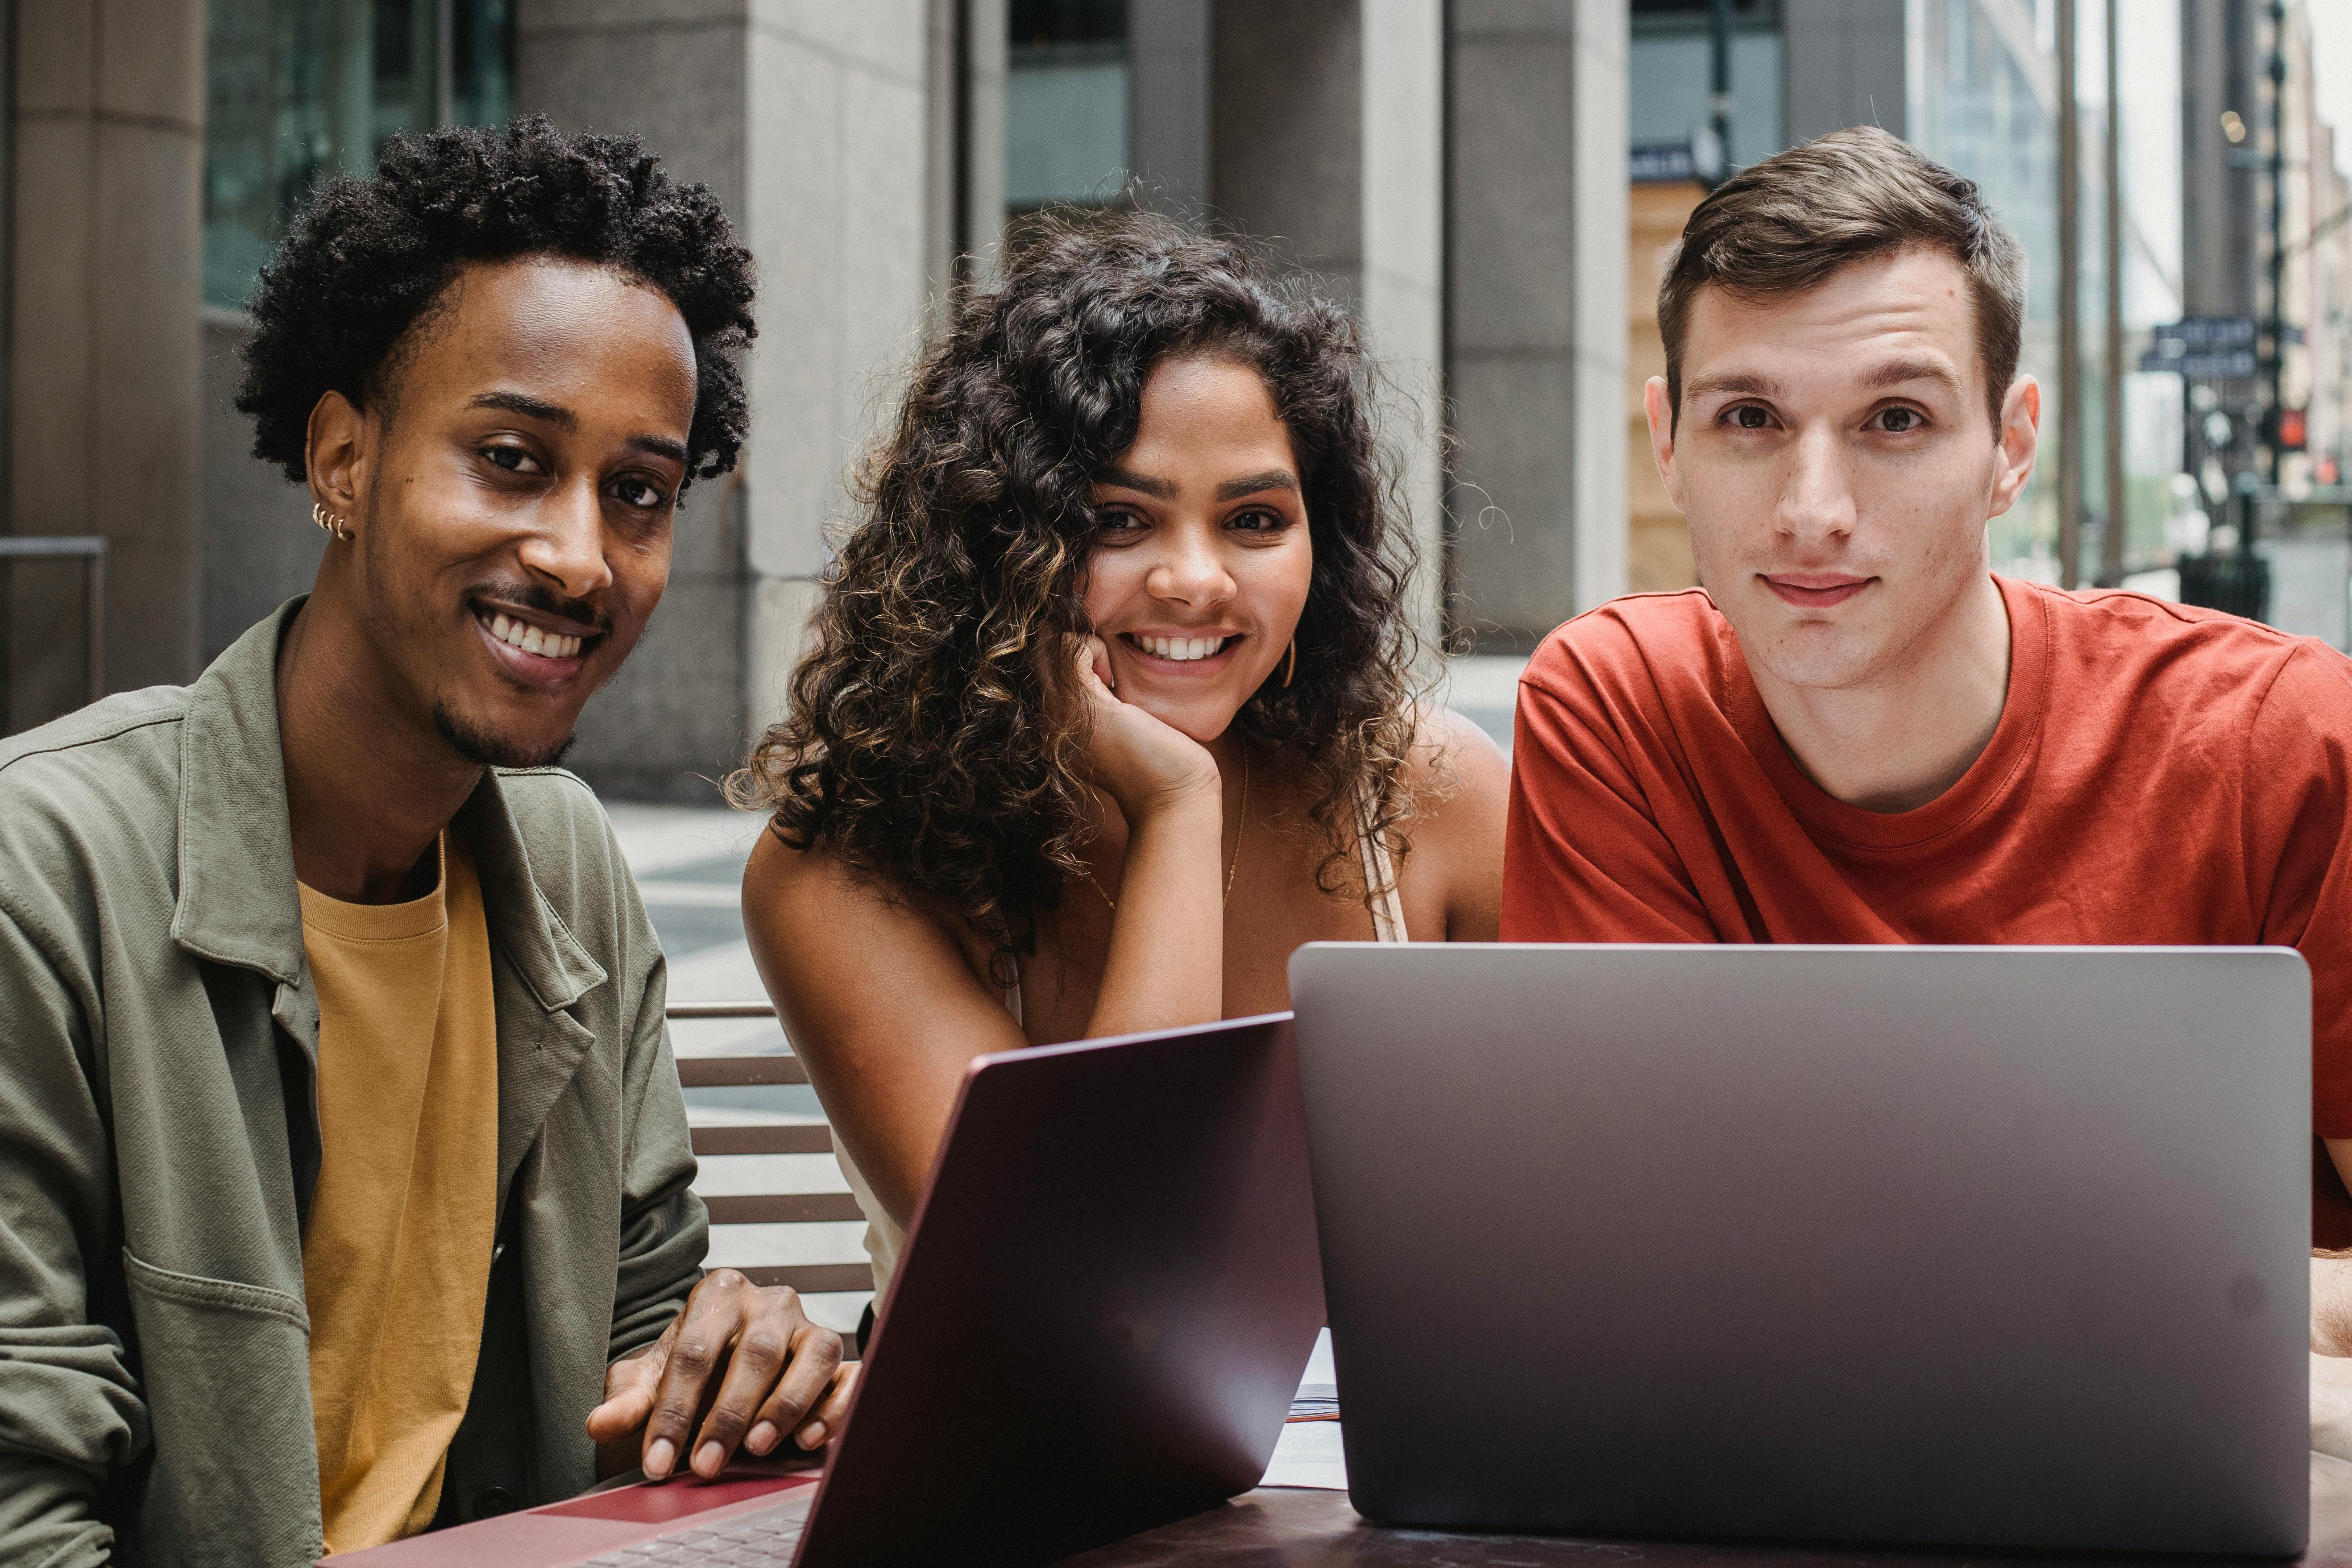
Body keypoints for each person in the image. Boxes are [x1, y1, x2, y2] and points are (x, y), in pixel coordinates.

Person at [0, 120, 849, 1568]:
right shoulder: (47, 866)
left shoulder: (564, 861)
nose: (582, 554)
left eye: (637, 492)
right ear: (341, 457)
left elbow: (637, 1350)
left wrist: (732, 1365)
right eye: (513, 459)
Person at [1497, 125, 2352, 1443]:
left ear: (2011, 446)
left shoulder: (2284, 740)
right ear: (1668, 442)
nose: (1812, 508)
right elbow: (1628, 1267)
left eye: (1895, 420)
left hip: (2196, 1477)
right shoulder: (1616, 707)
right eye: (1750, 419)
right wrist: (2161, 1295)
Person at [731, 212, 1508, 1314]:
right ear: (998, 537)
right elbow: (1102, 1290)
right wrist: (1174, 804)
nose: (1195, 581)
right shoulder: (846, 873)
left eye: (1252, 518)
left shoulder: (1430, 797)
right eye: (1117, 519)